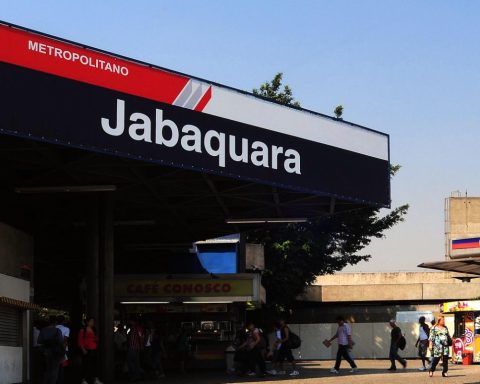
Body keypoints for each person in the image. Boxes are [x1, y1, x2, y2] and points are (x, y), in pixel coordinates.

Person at [38, 316, 64, 384]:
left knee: (46, 370)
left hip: (46, 352)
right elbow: (61, 341)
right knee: (54, 371)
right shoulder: (58, 331)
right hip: (56, 352)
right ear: (56, 322)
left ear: (49, 321)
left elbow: (39, 341)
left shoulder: (43, 330)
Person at [78, 317, 103, 384]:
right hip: (86, 349)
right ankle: (83, 380)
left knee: (94, 365)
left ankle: (95, 379)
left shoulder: (93, 329)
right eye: (91, 321)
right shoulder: (83, 330)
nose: (92, 323)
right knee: (85, 365)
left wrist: (96, 339)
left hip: (93, 349)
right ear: (87, 322)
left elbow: (95, 338)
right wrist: (83, 349)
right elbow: (80, 341)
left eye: (93, 321)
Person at [55, 315, 70, 384]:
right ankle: (61, 381)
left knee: (54, 367)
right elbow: (65, 341)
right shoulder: (66, 329)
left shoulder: (53, 328)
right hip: (63, 349)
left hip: (54, 349)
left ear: (56, 321)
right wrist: (63, 351)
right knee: (62, 367)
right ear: (64, 321)